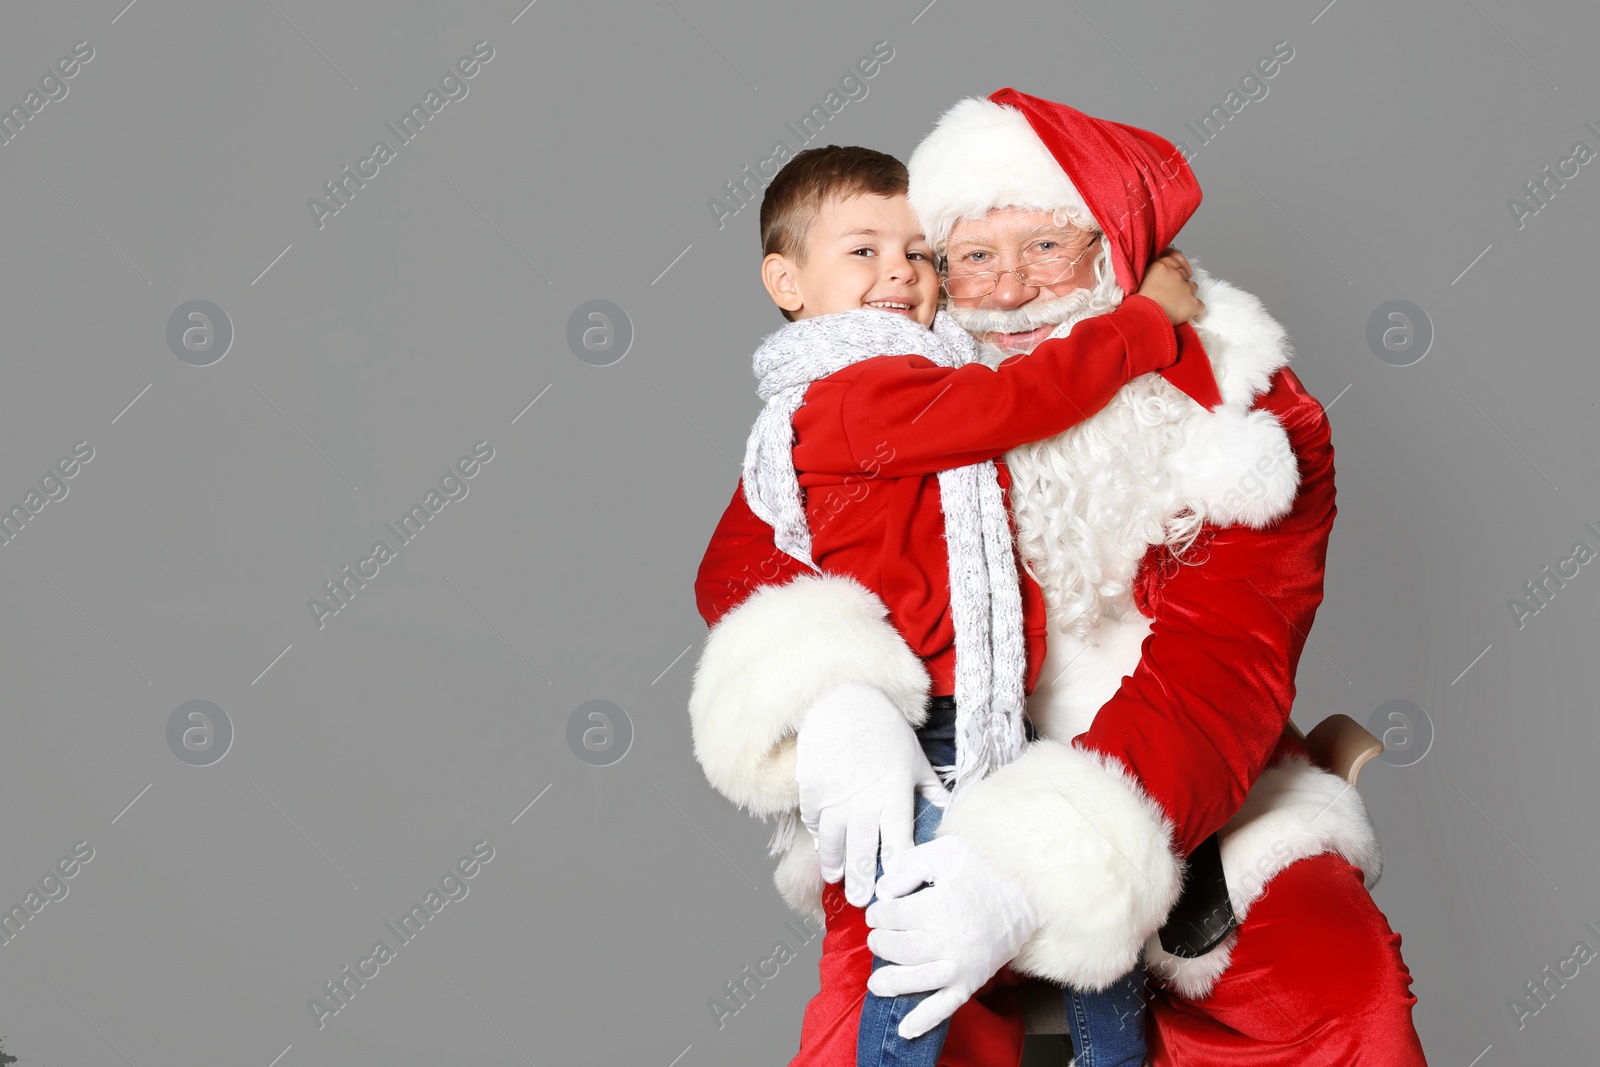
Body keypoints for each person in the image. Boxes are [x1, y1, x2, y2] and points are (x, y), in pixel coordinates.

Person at [691, 90, 1428, 1066]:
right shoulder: (911, 388)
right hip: (944, 763)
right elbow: (753, 546)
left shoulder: (1244, 416)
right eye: (969, 258)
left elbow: (1219, 671)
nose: (1004, 293)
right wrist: (837, 701)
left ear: (1111, 255)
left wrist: (1035, 864)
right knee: (883, 1014)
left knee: (1327, 986)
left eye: (1043, 249)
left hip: (1186, 785)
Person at [692, 141, 1208, 1066]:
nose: (899, 269)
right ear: (787, 280)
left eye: (919, 253)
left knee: (1095, 913)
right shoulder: (857, 393)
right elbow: (1016, 402)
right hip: (923, 729)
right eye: (863, 250)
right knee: (921, 944)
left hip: (996, 712)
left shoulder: (918, 370)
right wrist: (1144, 324)